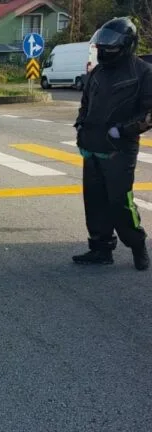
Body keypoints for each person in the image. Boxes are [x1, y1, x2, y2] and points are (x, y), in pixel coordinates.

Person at [72, 17, 151, 271]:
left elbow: (150, 113)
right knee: (94, 200)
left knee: (119, 202)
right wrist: (81, 128)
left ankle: (137, 245)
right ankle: (100, 248)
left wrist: (124, 130)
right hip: (92, 145)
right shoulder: (97, 72)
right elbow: (85, 104)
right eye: (102, 45)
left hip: (120, 149)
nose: (104, 50)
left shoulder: (143, 72)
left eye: (110, 46)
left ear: (126, 45)